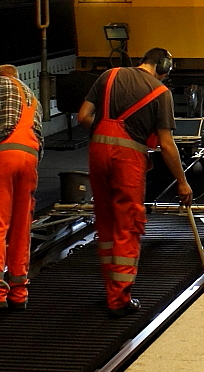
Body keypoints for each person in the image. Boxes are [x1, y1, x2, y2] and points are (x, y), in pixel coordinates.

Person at [78, 49, 193, 317]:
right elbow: (166, 143)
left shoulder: (109, 75)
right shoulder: (160, 93)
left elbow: (83, 117)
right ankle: (118, 299)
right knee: (128, 223)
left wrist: (105, 135)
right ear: (164, 66)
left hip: (97, 151)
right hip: (127, 159)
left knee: (105, 219)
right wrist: (182, 181)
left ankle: (110, 287)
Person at [0, 65, 42, 312]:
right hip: (30, 158)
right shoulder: (31, 96)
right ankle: (19, 292)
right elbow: (39, 134)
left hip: (2, 157)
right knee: (22, 227)